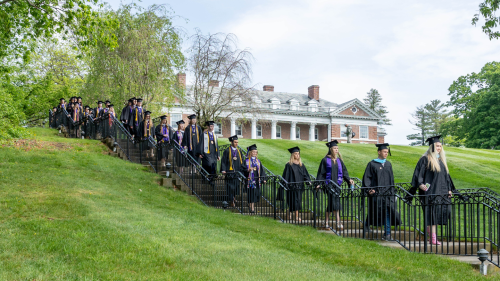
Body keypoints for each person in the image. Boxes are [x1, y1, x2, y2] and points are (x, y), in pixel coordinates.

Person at [408, 135, 455, 245]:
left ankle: (431, 234)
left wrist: (449, 189)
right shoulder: (425, 159)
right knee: (432, 215)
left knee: (441, 213)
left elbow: (446, 177)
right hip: (430, 192)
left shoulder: (441, 160)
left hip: (442, 192)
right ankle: (433, 238)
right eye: (437, 146)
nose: (439, 148)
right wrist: (420, 184)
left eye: (440, 146)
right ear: (432, 147)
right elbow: (418, 174)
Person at [362, 143, 401, 241]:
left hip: (387, 194)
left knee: (387, 212)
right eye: (384, 152)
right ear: (379, 152)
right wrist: (369, 189)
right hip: (377, 193)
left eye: (387, 152)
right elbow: (367, 178)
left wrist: (392, 191)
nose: (386, 153)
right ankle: (366, 225)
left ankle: (387, 234)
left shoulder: (388, 164)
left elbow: (391, 179)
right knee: (374, 210)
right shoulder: (372, 164)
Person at [316, 140, 354, 230]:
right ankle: (338, 222)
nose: (336, 150)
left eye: (337, 148)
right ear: (331, 149)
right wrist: (318, 183)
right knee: (335, 202)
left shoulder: (339, 160)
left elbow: (344, 172)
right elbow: (321, 173)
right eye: (335, 148)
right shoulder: (325, 160)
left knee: (331, 203)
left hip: (337, 185)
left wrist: (349, 179)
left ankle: (326, 223)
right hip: (328, 185)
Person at [281, 147, 311, 222]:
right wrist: (286, 185)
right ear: (292, 155)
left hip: (299, 187)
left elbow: (305, 175)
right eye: (296, 154)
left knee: (298, 201)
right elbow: (286, 176)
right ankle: (296, 216)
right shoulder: (289, 165)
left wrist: (308, 181)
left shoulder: (301, 165)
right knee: (293, 201)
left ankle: (292, 213)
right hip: (291, 187)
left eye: (298, 154)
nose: (297, 155)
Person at [220, 135, 245, 207]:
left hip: (237, 172)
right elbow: (224, 161)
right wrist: (223, 170)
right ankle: (231, 201)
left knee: (236, 187)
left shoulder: (239, 151)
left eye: (237, 142)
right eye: (235, 142)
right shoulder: (227, 151)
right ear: (231, 142)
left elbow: (242, 161)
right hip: (229, 172)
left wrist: (243, 170)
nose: (236, 143)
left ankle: (233, 198)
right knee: (230, 187)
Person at [243, 144, 266, 213]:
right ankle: (252, 208)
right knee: (251, 194)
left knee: (255, 194)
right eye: (253, 152)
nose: (254, 153)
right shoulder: (246, 161)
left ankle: (250, 205)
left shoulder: (258, 161)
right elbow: (242, 170)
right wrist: (248, 170)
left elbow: (262, 171)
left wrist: (263, 179)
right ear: (250, 152)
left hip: (256, 180)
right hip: (249, 181)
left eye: (256, 152)